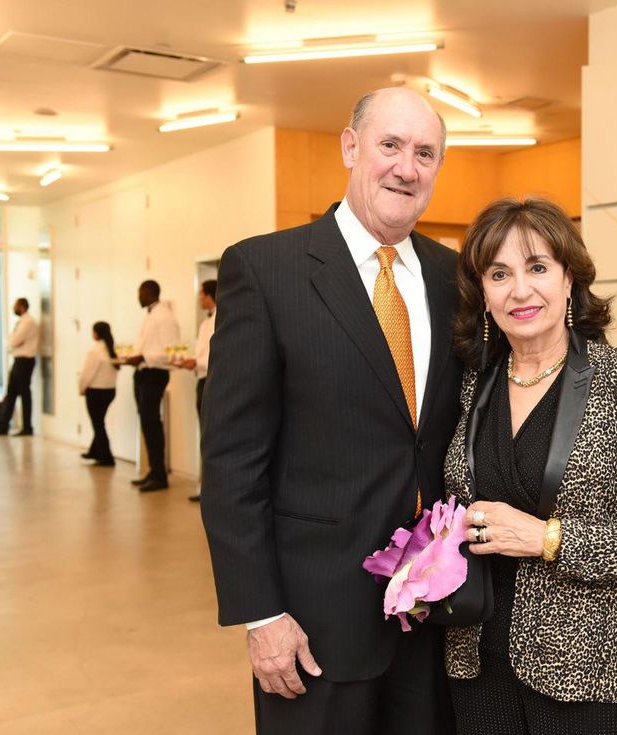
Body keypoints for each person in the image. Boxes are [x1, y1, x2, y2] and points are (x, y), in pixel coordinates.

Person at [201, 87, 462, 735]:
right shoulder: (266, 271)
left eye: (425, 153)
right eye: (390, 145)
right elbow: (233, 464)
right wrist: (260, 615)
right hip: (313, 624)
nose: (407, 167)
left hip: (433, 621)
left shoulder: (455, 279)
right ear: (350, 147)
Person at [443, 198, 617, 735]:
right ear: (483, 293)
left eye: (537, 267)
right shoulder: (475, 383)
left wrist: (548, 538)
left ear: (569, 280)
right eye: (499, 273)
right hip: (477, 660)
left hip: (589, 670)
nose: (520, 290)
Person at [123, 280, 179, 492]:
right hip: (143, 373)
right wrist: (133, 355)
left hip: (154, 373)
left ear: (149, 292)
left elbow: (170, 351)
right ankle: (153, 470)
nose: (138, 296)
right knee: (146, 423)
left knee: (152, 423)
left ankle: (159, 474)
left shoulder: (165, 317)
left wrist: (142, 356)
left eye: (140, 292)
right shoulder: (151, 315)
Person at [176, 279, 216, 502]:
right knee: (204, 434)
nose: (199, 298)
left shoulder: (221, 317)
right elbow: (203, 352)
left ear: (210, 295)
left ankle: (210, 488)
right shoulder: (204, 323)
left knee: (210, 435)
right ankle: (204, 485)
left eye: (201, 294)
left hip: (211, 379)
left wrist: (196, 363)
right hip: (201, 379)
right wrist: (192, 360)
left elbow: (216, 355)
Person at [0, 297, 39, 436]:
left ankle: (27, 427)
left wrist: (11, 343)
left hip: (25, 361)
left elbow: (14, 341)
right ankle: (3, 425)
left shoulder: (28, 322)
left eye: (15, 306)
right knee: (11, 393)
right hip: (18, 360)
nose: (13, 308)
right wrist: (11, 342)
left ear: (22, 307)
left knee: (24, 393)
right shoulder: (22, 322)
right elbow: (11, 341)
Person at [78, 321, 120, 466]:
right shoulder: (111, 350)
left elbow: (86, 375)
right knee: (99, 421)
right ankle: (94, 451)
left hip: (96, 392)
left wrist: (81, 388)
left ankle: (106, 457)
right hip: (109, 391)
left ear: (96, 333)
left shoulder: (95, 352)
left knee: (98, 423)